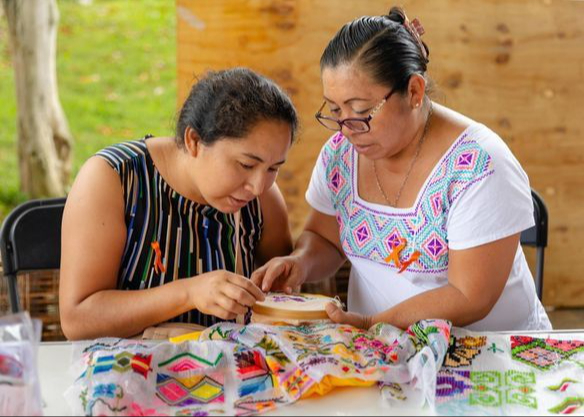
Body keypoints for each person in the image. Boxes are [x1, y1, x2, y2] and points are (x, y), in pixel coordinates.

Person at [252, 7, 551, 331]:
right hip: (383, 350)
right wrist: (301, 263)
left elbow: (470, 296)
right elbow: (325, 238)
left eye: (362, 111)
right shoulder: (342, 154)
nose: (346, 128)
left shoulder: (477, 165)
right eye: (335, 109)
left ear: (414, 92)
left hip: (489, 354)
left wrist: (374, 323)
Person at [60, 68, 298, 340]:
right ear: (194, 140)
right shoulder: (115, 178)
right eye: (246, 164)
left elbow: (279, 306)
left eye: (273, 168)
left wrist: (283, 289)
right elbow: (77, 320)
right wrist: (189, 293)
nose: (257, 186)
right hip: (127, 376)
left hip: (235, 375)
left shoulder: (262, 198)